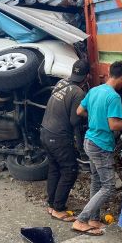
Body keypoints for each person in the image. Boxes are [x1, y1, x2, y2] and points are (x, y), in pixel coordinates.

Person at [71, 61, 122, 236]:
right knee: (108, 186)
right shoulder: (113, 96)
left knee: (96, 181)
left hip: (89, 141)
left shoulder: (94, 90)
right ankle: (81, 220)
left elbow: (80, 111)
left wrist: (95, 117)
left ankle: (93, 219)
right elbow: (114, 125)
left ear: (110, 73)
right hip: (101, 145)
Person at [41, 59, 90, 222]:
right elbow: (74, 121)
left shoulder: (61, 83)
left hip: (45, 132)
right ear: (87, 76)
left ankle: (51, 204)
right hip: (59, 136)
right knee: (70, 170)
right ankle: (58, 208)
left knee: (55, 167)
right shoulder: (78, 93)